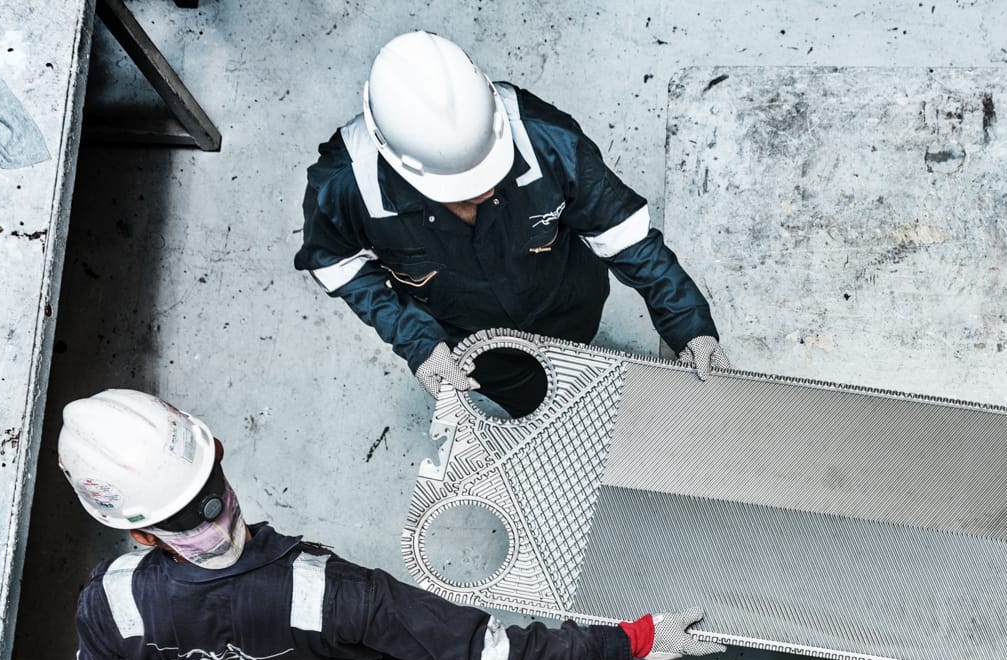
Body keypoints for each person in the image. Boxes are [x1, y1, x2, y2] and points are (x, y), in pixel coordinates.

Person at [60, 389, 721, 660]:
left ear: (135, 529)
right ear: (217, 455)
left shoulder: (115, 604)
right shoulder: (331, 594)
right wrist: (634, 638)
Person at [296, 31, 725, 416]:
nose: (483, 191)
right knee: (534, 404)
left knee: (579, 358)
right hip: (481, 346)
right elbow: (338, 265)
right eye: (459, 190)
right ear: (401, 166)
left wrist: (691, 328)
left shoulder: (547, 141)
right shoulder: (345, 186)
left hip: (570, 303)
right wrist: (418, 342)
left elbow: (628, 238)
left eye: (489, 170)